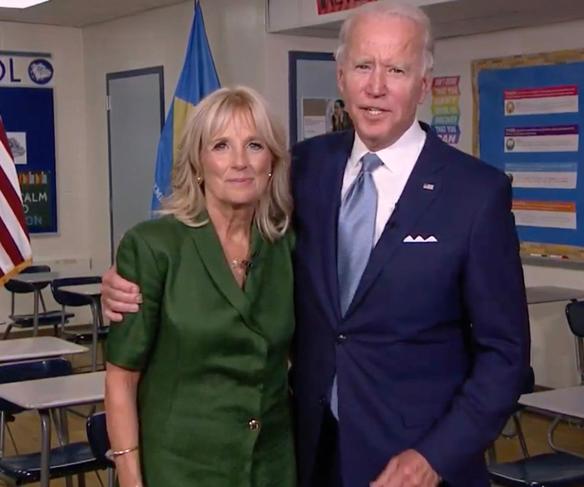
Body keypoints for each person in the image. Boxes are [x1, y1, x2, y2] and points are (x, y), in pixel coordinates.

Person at [102, 2, 530, 486]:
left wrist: (435, 456)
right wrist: (122, 288)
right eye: (364, 66)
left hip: (412, 462)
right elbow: (210, 246)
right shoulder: (304, 170)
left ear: (425, 83)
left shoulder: (475, 194)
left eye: (396, 69)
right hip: (302, 452)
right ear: (341, 75)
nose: (376, 86)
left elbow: (506, 356)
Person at [104, 86, 296, 487]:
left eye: (255, 145)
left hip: (270, 468)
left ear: (272, 162)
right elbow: (121, 379)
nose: (240, 162)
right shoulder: (154, 246)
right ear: (197, 163)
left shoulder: (288, 247)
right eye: (222, 146)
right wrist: (129, 477)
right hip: (179, 469)